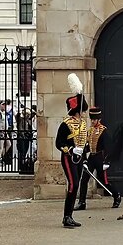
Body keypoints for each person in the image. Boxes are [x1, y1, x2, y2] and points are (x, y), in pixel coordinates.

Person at [74, 107, 121, 211]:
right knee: (84, 180)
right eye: (91, 119)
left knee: (104, 181)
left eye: (94, 120)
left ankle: (116, 195)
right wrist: (84, 159)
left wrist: (107, 161)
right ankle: (82, 202)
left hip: (100, 158)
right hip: (91, 157)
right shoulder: (89, 131)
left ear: (99, 119)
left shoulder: (104, 131)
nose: (92, 121)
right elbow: (86, 147)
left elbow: (109, 148)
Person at [55, 92, 88, 228]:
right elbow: (59, 143)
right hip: (69, 158)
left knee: (76, 185)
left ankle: (69, 216)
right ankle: (66, 216)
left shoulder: (83, 123)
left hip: (79, 158)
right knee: (73, 185)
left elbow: (84, 142)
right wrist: (70, 149)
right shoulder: (65, 124)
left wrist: (84, 158)